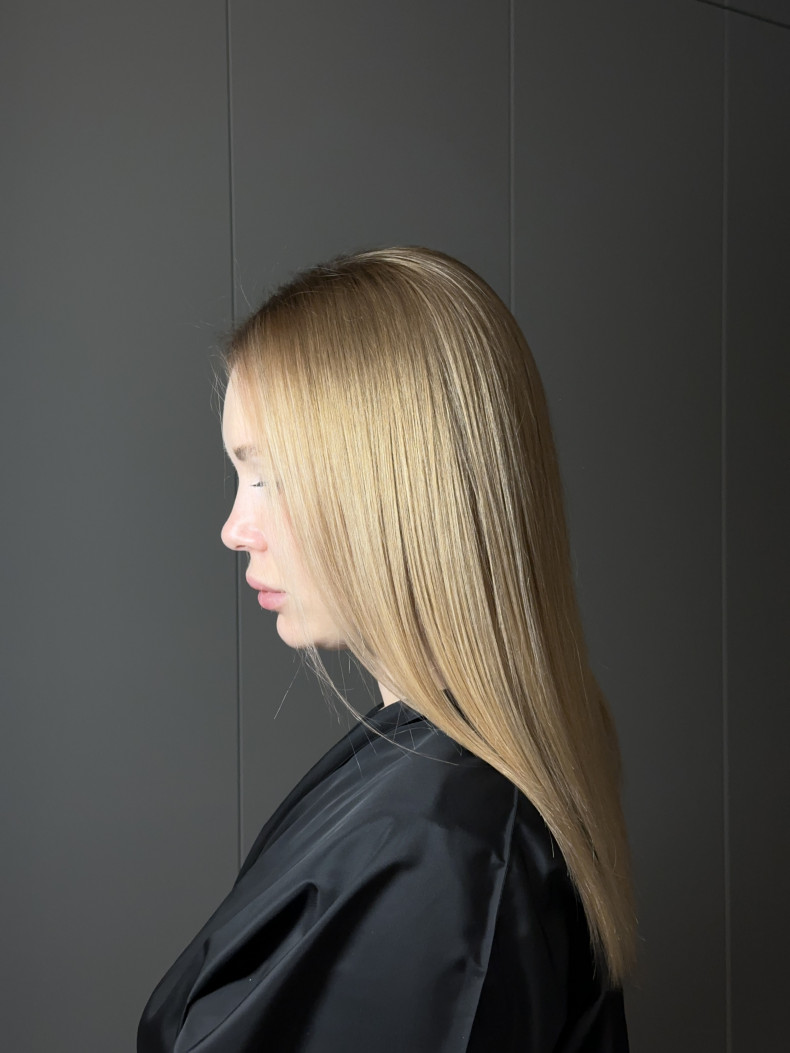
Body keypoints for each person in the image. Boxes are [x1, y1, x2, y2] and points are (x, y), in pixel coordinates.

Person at [137, 246, 637, 1052]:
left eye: (268, 477)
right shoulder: (426, 781)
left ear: (394, 489)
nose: (234, 528)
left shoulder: (439, 851)